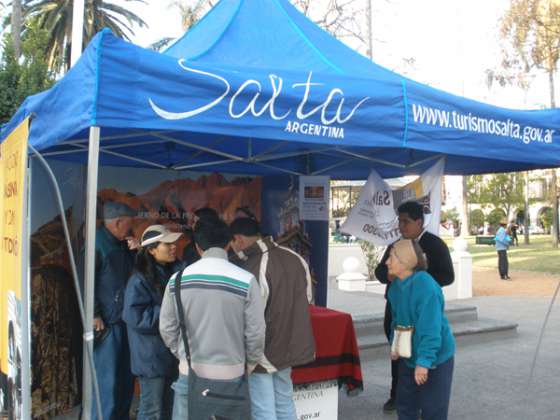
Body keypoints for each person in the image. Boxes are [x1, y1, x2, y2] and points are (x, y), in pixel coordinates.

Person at [159, 217, 266, 419]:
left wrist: (182, 354)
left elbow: (166, 328)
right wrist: (248, 365)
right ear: (228, 244)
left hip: (189, 375)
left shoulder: (178, 281)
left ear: (198, 247)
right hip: (232, 378)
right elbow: (256, 334)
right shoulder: (246, 281)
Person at [229, 217, 315, 420]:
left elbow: (252, 317)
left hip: (263, 350)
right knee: (285, 401)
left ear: (238, 240)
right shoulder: (295, 257)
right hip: (289, 347)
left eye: (231, 243)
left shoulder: (254, 264)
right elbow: (308, 299)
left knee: (263, 409)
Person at [375, 200, 454, 413]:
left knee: (431, 405)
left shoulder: (434, 249)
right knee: (405, 394)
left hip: (431, 344)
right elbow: (381, 272)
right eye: (399, 221)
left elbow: (430, 332)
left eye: (405, 221)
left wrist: (417, 282)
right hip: (406, 335)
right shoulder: (397, 256)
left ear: (419, 222)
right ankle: (398, 394)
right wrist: (396, 344)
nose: (401, 226)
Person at [387, 239, 455, 420]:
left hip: (436, 358)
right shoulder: (395, 286)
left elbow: (431, 331)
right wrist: (396, 345)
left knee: (433, 411)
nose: (387, 262)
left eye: (391, 257)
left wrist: (424, 363)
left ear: (405, 261)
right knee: (406, 407)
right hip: (409, 356)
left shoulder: (426, 288)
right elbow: (397, 321)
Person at [123, 225, 184, 420]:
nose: (174, 247)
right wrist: (169, 311)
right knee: (151, 410)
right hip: (151, 358)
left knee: (168, 408)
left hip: (169, 354)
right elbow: (134, 316)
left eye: (174, 243)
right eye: (168, 244)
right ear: (151, 250)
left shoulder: (174, 270)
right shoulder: (139, 279)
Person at [92, 201, 137, 420]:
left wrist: (133, 253)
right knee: (107, 383)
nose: (131, 228)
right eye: (129, 224)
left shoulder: (121, 244)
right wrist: (93, 313)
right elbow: (85, 281)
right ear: (118, 222)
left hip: (124, 320)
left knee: (125, 379)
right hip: (107, 325)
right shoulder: (97, 244)